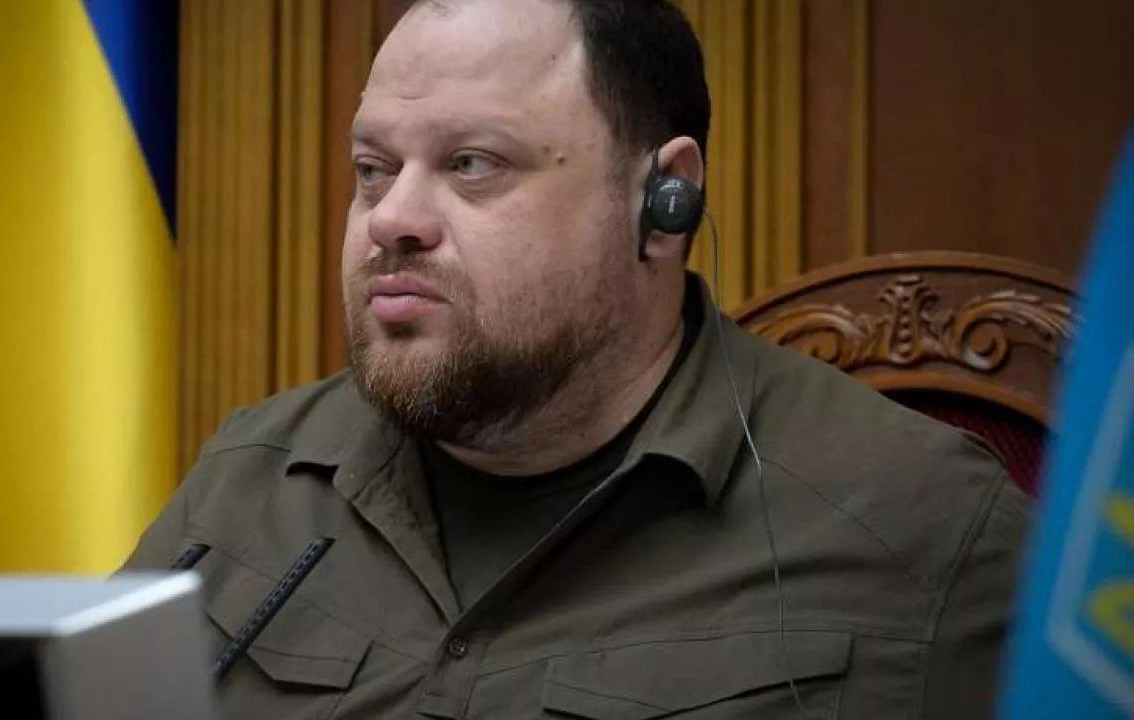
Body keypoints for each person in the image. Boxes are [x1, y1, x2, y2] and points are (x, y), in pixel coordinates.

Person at [124, 1, 1031, 717]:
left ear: (663, 200)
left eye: (472, 163)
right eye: (373, 168)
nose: (392, 217)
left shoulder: (928, 532)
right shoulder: (249, 478)